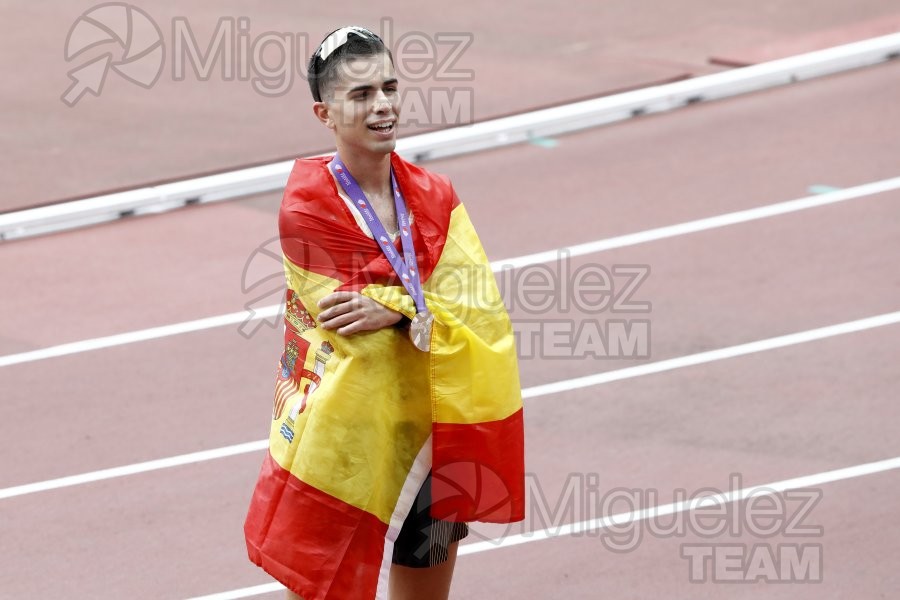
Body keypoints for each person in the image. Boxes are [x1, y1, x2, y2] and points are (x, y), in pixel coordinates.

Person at [244, 26, 525, 600]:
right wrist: (412, 312)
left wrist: (394, 312)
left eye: (389, 87)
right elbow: (345, 324)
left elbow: (480, 313)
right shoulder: (308, 207)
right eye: (361, 95)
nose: (383, 106)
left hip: (429, 431)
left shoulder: (436, 197)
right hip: (344, 447)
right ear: (325, 113)